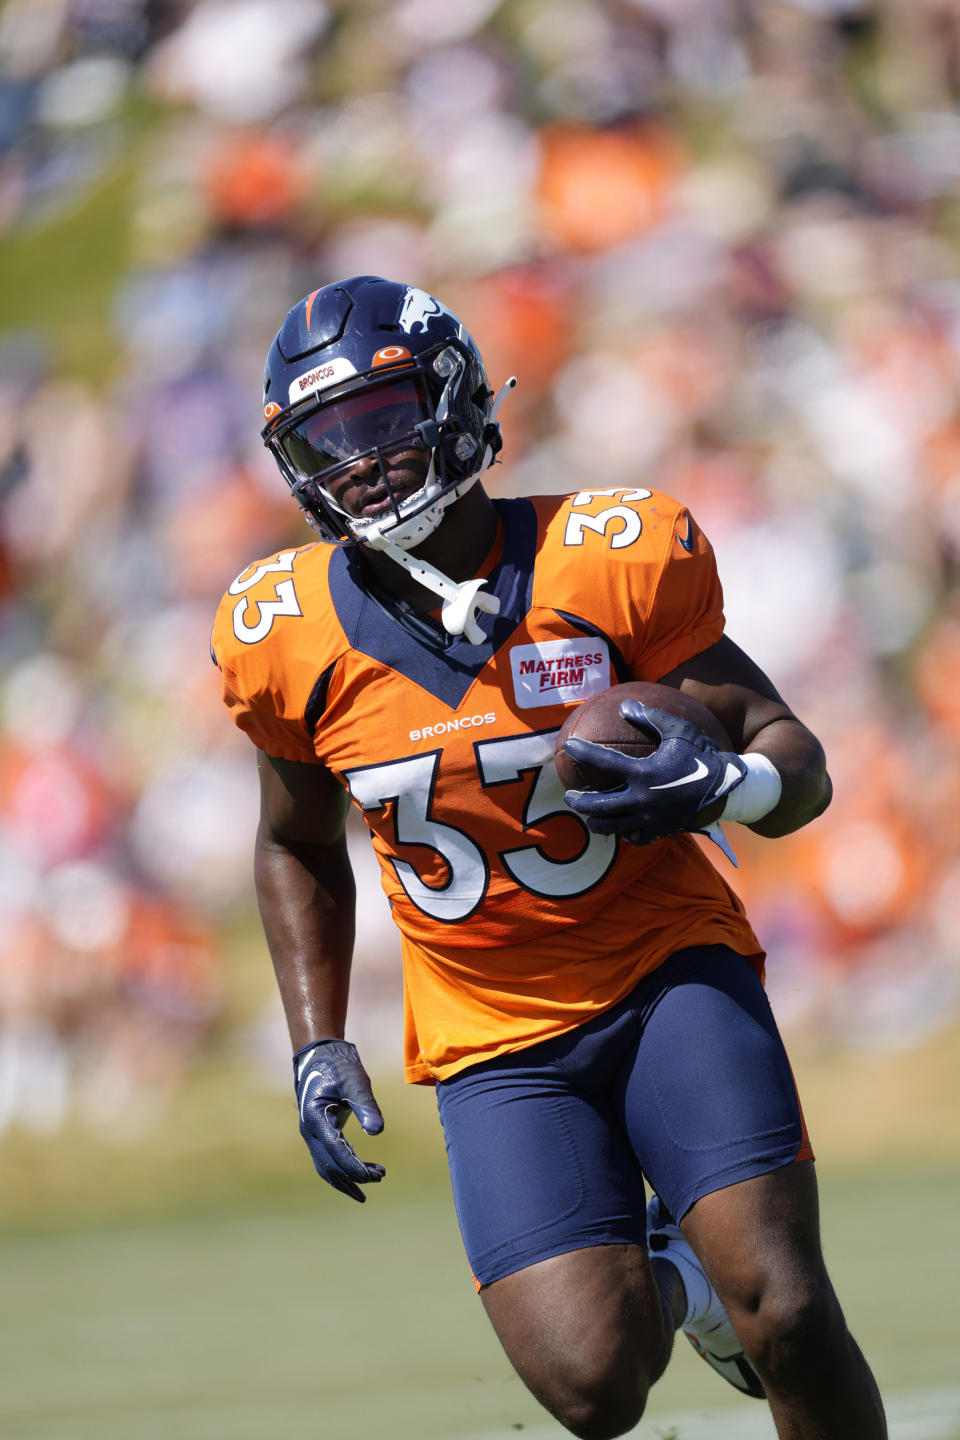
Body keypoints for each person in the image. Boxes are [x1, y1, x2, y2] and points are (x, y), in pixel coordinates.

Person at [211, 275, 887, 1440]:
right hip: (491, 1032)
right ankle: (684, 1288)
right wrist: (317, 1042)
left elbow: (795, 757)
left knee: (782, 1302)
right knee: (590, 1384)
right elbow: (292, 841)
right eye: (328, 441)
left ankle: (728, 1293)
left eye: (381, 421)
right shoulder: (284, 634)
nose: (362, 463)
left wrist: (735, 784)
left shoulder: (606, 557)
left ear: (458, 399)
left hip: (666, 967)